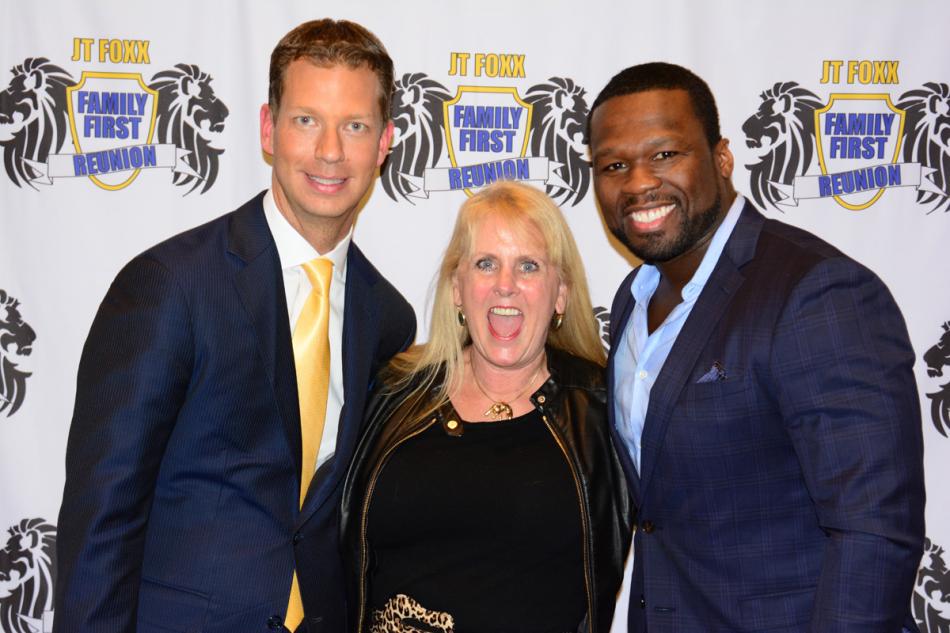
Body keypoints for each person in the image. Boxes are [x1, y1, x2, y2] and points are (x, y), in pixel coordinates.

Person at [55, 19, 415, 633]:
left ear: (384, 143)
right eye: (307, 120)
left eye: (355, 126)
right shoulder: (172, 283)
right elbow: (102, 514)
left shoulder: (387, 316)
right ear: (268, 130)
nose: (330, 151)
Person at [587, 62, 925, 633]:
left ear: (721, 158)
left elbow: (873, 531)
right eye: (614, 165)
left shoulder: (816, 292)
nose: (639, 182)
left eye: (665, 154)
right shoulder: (632, 298)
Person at [340, 181, 631, 633]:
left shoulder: (604, 409)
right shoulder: (392, 393)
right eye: (486, 264)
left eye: (528, 266)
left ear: (560, 293)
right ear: (457, 287)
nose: (505, 286)